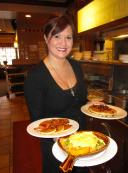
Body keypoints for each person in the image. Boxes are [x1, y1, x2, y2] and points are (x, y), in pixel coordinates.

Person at [24, 14, 88, 173]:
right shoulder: (36, 76)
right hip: (56, 146)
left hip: (82, 140)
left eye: (68, 37)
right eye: (57, 36)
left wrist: (90, 105)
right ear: (46, 38)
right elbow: (37, 121)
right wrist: (58, 137)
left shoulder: (76, 66)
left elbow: (80, 101)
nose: (63, 43)